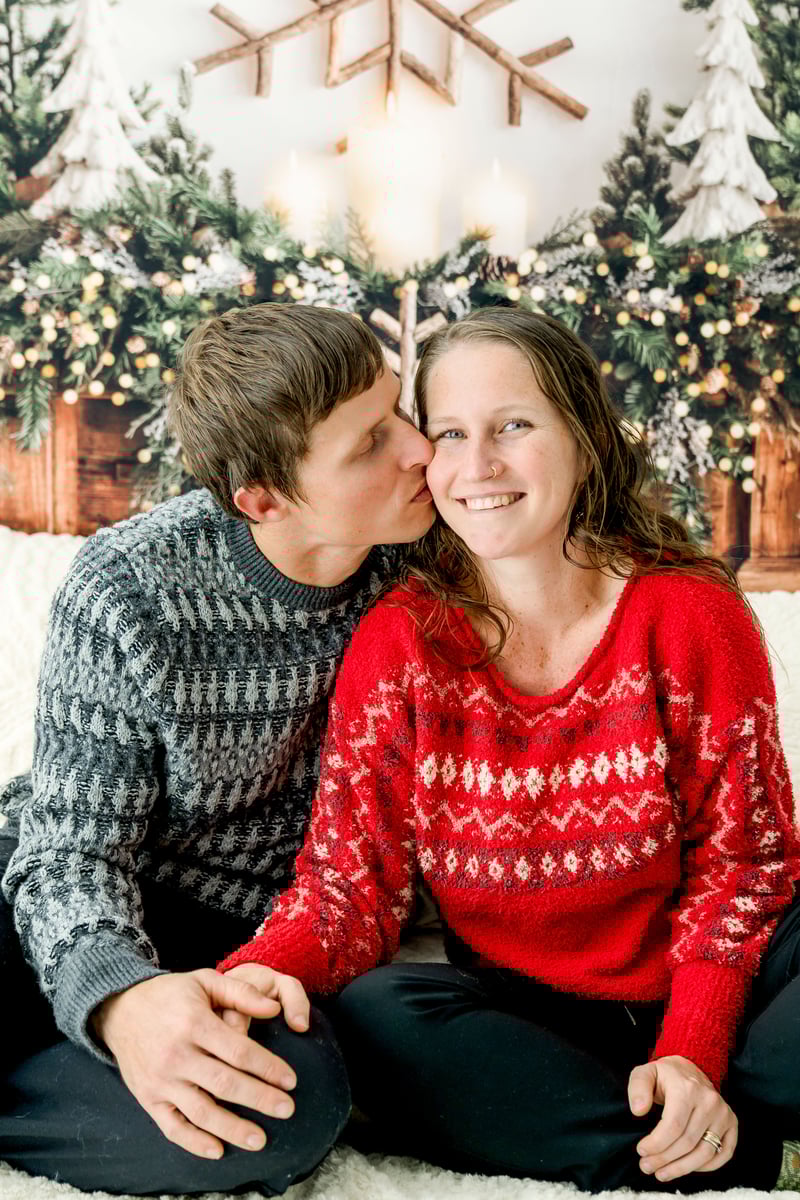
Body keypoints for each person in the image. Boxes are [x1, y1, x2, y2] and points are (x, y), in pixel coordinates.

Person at [217, 307, 800, 1194]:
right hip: (534, 1019)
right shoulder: (402, 642)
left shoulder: (689, 616)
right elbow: (349, 885)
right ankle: (745, 1153)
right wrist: (241, 981)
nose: (478, 464)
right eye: (450, 433)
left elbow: (745, 865)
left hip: (724, 990)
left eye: (514, 425)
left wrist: (692, 1048)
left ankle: (687, 1114)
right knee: (377, 1016)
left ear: (584, 439)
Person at [0, 301, 435, 1194]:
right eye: (369, 443)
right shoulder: (129, 585)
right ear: (263, 499)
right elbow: (72, 851)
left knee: (289, 1106)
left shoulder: (432, 564)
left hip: (248, 939)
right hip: (81, 879)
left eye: (400, 408)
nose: (419, 448)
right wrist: (120, 998)